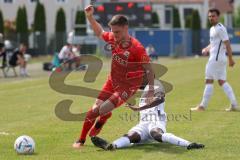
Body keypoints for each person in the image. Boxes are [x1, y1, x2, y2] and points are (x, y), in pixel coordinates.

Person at [72, 5, 155, 149]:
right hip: (112, 81)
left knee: (99, 110)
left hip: (127, 88)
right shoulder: (112, 38)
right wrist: (90, 17)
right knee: (96, 107)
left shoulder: (137, 48)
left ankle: (81, 140)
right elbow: (99, 32)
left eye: (117, 32)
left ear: (126, 28)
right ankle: (85, 136)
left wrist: (151, 90)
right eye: (113, 31)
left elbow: (149, 69)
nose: (114, 35)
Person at [91, 80, 205, 150]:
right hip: (143, 124)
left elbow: (160, 99)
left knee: (156, 133)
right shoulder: (143, 89)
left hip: (156, 121)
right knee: (131, 135)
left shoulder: (156, 84)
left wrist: (139, 108)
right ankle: (111, 146)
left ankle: (189, 144)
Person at [191, 8, 238, 112]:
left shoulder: (220, 28)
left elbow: (227, 44)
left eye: (213, 16)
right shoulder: (212, 29)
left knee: (209, 80)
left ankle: (202, 106)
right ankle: (234, 104)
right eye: (209, 16)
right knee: (222, 81)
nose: (211, 18)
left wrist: (231, 59)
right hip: (218, 59)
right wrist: (206, 48)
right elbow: (214, 43)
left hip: (215, 59)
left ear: (218, 17)